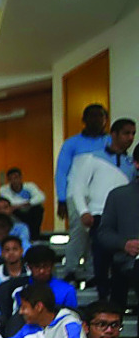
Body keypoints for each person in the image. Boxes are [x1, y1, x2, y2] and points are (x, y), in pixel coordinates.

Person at [68, 118, 136, 297]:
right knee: (100, 262)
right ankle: (102, 297)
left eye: (133, 134)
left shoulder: (131, 163)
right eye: (126, 133)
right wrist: (83, 211)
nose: (130, 137)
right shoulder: (93, 158)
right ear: (114, 134)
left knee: (121, 265)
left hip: (122, 220)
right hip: (98, 215)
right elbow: (78, 186)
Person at [97, 147, 139, 305]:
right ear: (136, 164)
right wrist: (124, 244)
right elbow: (103, 233)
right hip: (129, 261)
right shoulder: (119, 196)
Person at [56, 104, 110, 218]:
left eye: (100, 116)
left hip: (105, 195)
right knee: (79, 235)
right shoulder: (71, 143)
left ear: (106, 119)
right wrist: (61, 199)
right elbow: (61, 172)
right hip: (77, 195)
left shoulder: (111, 142)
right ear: (84, 119)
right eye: (93, 116)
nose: (97, 119)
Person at [8, 282, 82, 338]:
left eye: (24, 307)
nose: (20, 312)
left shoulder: (69, 323)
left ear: (39, 307)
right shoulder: (27, 329)